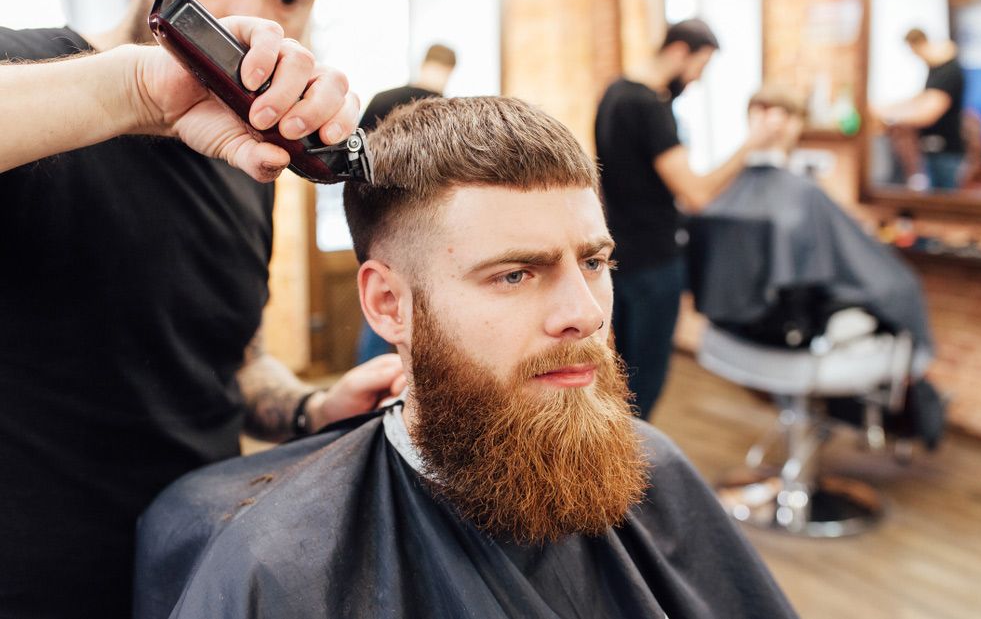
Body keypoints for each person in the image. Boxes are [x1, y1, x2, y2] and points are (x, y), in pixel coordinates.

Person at [134, 96, 798, 619]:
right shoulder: (274, 569)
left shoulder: (660, 473)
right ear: (390, 305)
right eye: (515, 274)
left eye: (594, 261)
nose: (587, 312)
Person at [0, 0, 404, 616]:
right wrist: (133, 92)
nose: (249, 15)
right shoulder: (28, 76)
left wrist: (311, 409)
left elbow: (235, 363)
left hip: (194, 566)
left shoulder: (248, 160)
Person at [688, 85, 942, 445]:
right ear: (793, 127)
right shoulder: (804, 194)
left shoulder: (721, 195)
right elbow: (887, 283)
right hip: (795, 344)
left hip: (730, 337)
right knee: (902, 286)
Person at [595, 18, 778, 420]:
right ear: (679, 51)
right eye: (700, 66)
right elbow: (695, 193)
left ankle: (613, 470)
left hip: (618, 257)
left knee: (618, 376)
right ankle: (633, 477)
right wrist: (752, 142)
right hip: (654, 262)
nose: (696, 79)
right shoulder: (649, 105)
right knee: (644, 383)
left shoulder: (613, 93)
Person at [354, 43, 457, 363]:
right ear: (449, 70)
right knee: (426, 306)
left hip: (376, 221)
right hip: (429, 226)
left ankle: (372, 375)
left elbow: (352, 161)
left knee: (382, 301)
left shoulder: (382, 100)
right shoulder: (447, 109)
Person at [873, 28, 966, 190]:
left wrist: (892, 117)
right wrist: (884, 108)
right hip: (930, 149)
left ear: (915, 45)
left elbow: (928, 114)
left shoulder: (948, 71)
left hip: (946, 151)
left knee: (943, 206)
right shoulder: (934, 69)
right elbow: (921, 99)